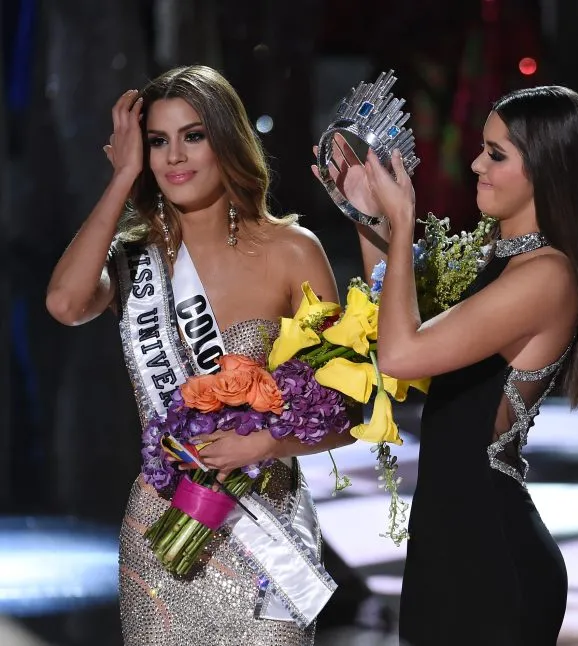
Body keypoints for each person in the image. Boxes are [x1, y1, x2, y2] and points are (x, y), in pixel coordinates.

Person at [46, 65, 353, 645]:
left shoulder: (292, 251)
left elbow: (343, 411)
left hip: (265, 533)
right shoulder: (134, 261)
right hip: (160, 529)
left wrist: (261, 443)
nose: (174, 157)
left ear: (226, 140)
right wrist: (121, 179)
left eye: (193, 135)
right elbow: (64, 303)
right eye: (158, 141)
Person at [322, 85, 578, 645]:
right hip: (451, 541)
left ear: (548, 170)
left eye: (497, 154)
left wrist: (404, 219)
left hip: (489, 555)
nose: (476, 164)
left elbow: (400, 352)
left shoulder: (545, 276)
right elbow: (404, 350)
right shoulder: (503, 263)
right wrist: (369, 219)